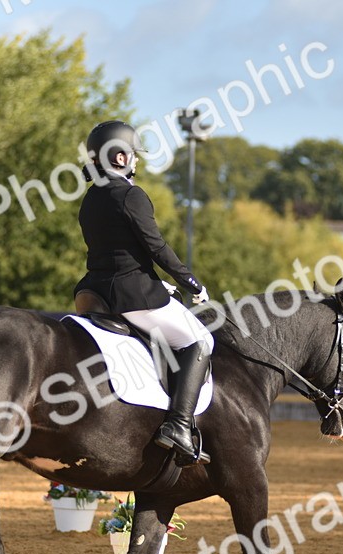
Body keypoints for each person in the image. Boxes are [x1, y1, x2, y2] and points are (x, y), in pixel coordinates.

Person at [75, 120, 215, 464]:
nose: (136, 162)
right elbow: (155, 247)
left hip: (94, 291)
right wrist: (190, 282)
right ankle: (179, 426)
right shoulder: (130, 195)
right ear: (121, 158)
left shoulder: (91, 197)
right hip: (131, 296)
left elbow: (117, 252)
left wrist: (159, 283)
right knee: (199, 342)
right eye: (133, 156)